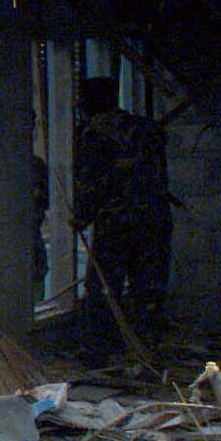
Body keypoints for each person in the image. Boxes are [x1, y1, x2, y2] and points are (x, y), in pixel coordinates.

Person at [73, 76, 171, 360]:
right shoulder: (146, 128)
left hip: (118, 223)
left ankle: (102, 351)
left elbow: (89, 183)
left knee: (103, 287)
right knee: (148, 288)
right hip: (155, 220)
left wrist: (81, 217)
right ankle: (147, 349)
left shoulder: (95, 132)